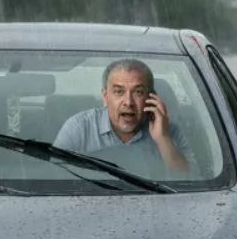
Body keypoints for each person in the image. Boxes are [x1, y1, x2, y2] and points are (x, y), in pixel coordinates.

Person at [53, 58, 191, 172]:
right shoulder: (79, 128)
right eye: (119, 92)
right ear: (105, 96)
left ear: (151, 97)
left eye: (138, 92)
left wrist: (163, 139)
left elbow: (188, 181)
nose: (128, 102)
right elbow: (55, 176)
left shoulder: (169, 130)